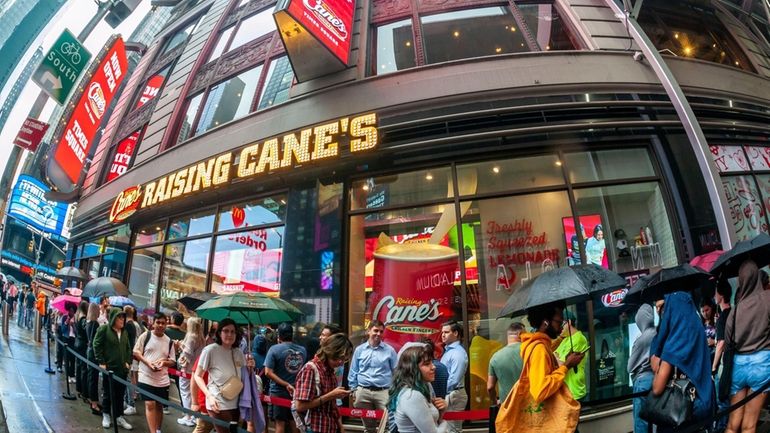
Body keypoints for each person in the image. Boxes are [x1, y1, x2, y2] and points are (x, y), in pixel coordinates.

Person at [650, 292, 715, 432]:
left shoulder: (674, 343)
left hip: (679, 414)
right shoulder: (699, 335)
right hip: (702, 406)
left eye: (664, 309)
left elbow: (657, 388)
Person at [724, 261, 770, 433]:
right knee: (749, 425)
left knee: (732, 424)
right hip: (762, 365)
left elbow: (729, 342)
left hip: (739, 367)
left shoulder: (734, 312)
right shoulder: (767, 298)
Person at [194, 318, 252, 433]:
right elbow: (197, 376)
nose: (229, 334)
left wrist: (250, 367)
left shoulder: (238, 352)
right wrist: (209, 396)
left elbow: (244, 376)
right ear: (219, 333)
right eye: (226, 331)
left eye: (232, 331)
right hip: (218, 401)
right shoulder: (210, 350)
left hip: (236, 402)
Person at [294, 333, 354, 433]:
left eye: (344, 359)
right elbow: (300, 406)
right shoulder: (310, 369)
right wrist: (330, 395)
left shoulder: (330, 372)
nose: (341, 362)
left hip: (330, 427)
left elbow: (332, 407)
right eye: (339, 358)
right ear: (330, 352)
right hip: (314, 428)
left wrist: (340, 427)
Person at [349, 320, 398, 433]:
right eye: (375, 331)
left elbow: (396, 372)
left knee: (392, 423)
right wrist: (353, 390)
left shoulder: (389, 350)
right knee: (368, 427)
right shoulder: (359, 350)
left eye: (381, 331)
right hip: (363, 391)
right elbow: (353, 371)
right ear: (368, 331)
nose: (378, 334)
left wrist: (395, 391)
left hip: (384, 392)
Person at [389, 345, 448, 433]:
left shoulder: (425, 386)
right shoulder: (412, 395)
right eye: (427, 364)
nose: (433, 367)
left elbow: (433, 423)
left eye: (432, 362)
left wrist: (441, 412)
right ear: (412, 369)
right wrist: (445, 423)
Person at [134, 312, 176, 433]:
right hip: (145, 376)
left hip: (162, 380)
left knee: (159, 406)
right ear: (153, 323)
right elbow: (136, 352)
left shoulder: (169, 341)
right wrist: (148, 363)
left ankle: (158, 430)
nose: (161, 325)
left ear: (166, 325)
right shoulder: (145, 336)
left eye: (163, 323)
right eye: (158, 322)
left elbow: (173, 361)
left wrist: (164, 362)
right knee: (150, 404)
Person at [93, 307, 133, 430]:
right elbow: (96, 344)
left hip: (122, 370)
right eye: (120, 317)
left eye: (123, 317)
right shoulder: (104, 329)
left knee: (120, 395)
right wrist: (101, 361)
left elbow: (128, 348)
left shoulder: (124, 332)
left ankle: (118, 416)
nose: (122, 320)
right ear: (114, 318)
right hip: (109, 369)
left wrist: (128, 362)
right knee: (107, 393)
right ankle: (106, 414)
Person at [265, 323, 307, 433]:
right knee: (296, 423)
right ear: (292, 335)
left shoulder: (274, 349)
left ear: (279, 336)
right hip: (297, 392)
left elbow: (268, 373)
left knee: (280, 425)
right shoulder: (302, 350)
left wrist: (285, 384)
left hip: (278, 392)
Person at [627, 304, 656, 433]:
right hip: (657, 380)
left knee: (641, 423)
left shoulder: (641, 340)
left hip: (642, 382)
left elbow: (630, 367)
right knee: (656, 420)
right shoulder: (658, 333)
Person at [439, 321, 468, 433]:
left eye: (446, 332)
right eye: (442, 332)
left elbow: (454, 380)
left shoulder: (457, 353)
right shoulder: (449, 351)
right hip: (450, 394)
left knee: (453, 430)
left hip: (453, 395)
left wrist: (440, 392)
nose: (443, 335)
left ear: (455, 333)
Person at [177, 317, 205, 427]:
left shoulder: (191, 337)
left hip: (187, 370)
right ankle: (194, 416)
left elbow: (186, 357)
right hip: (197, 370)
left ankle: (188, 416)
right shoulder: (201, 338)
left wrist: (180, 355)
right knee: (195, 394)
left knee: (185, 393)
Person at [488, 322, 525, 405]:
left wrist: (495, 401)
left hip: (506, 407)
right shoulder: (529, 351)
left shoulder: (495, 357)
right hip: (527, 406)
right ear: (520, 334)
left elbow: (490, 387)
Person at [712, 280, 732, 433]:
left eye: (716, 292)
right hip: (735, 362)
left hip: (724, 365)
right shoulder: (734, 312)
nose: (714, 295)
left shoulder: (723, 317)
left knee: (722, 403)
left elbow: (721, 343)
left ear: (721, 295)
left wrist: (713, 367)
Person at [554, 312, 588, 401]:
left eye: (560, 324)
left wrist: (556, 357)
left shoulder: (579, 339)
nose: (559, 327)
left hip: (574, 389)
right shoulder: (565, 339)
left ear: (568, 322)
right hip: (564, 389)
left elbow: (562, 365)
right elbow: (554, 357)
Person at [124, 306, 141, 416]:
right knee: (131, 377)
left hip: (130, 356)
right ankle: (128, 400)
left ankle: (131, 403)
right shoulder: (136, 325)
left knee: (129, 378)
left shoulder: (129, 325)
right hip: (134, 354)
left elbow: (129, 342)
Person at [85, 302, 102, 415]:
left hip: (89, 351)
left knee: (91, 377)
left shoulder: (88, 323)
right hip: (93, 353)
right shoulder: (95, 324)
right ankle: (94, 403)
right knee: (93, 378)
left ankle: (92, 400)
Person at [190, 356, 215, 433]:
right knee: (202, 428)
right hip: (207, 403)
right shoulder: (207, 353)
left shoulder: (235, 353)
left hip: (228, 405)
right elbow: (194, 378)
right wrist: (194, 402)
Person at [74, 300, 90, 398]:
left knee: (79, 366)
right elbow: (86, 332)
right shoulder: (83, 319)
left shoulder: (77, 316)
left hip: (77, 342)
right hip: (83, 343)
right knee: (83, 368)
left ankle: (79, 388)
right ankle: (84, 390)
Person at [63, 304, 77, 383]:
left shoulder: (76, 319)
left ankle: (72, 375)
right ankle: (68, 375)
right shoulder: (65, 317)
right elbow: (63, 329)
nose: (71, 312)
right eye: (69, 311)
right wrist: (66, 322)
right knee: (67, 358)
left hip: (73, 339)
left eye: (72, 311)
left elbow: (77, 332)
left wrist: (73, 325)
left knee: (72, 359)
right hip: (66, 339)